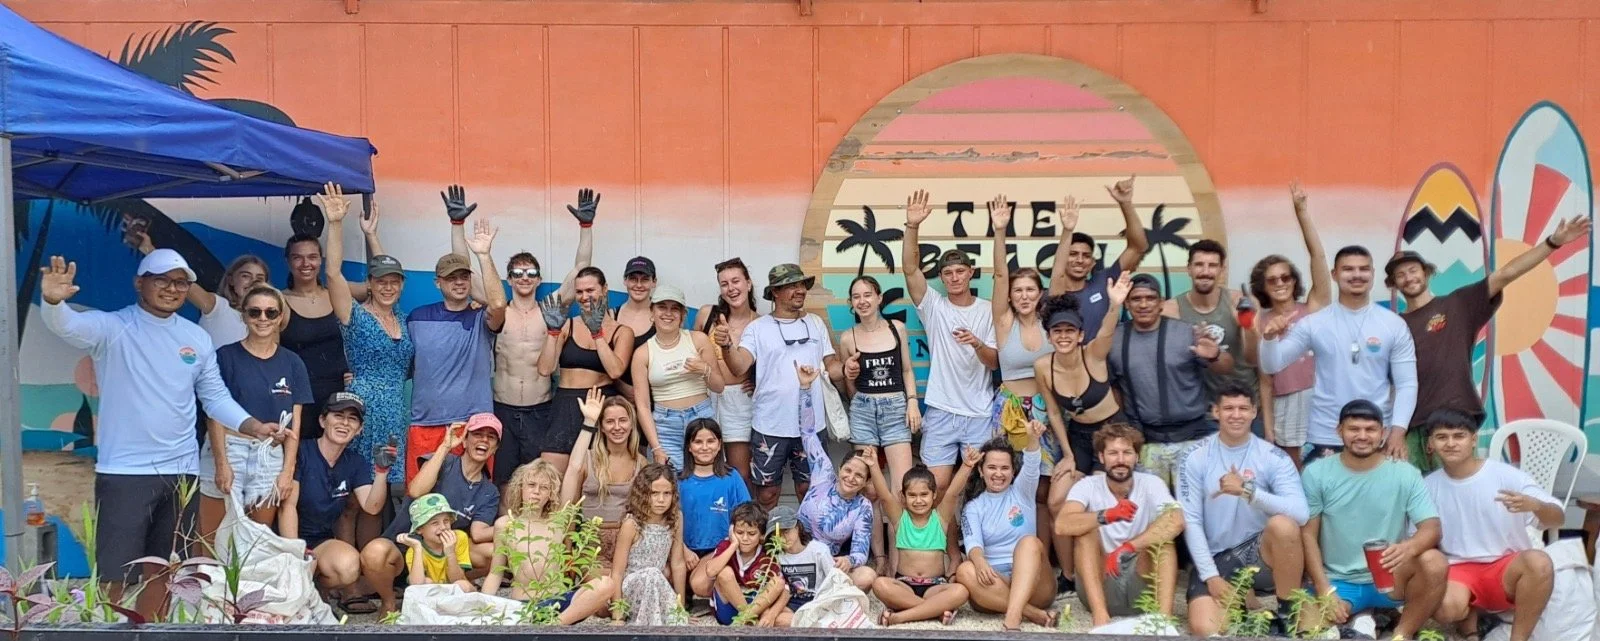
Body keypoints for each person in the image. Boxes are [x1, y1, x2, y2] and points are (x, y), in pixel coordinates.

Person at [37, 251, 284, 619]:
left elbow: (214, 397)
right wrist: (54, 302)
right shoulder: (112, 327)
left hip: (181, 473)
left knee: (168, 571)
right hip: (125, 473)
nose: (172, 289)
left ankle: (150, 628)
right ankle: (111, 628)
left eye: (181, 282)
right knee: (115, 572)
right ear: (140, 282)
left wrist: (252, 426)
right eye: (162, 280)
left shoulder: (195, 338)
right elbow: (68, 326)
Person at [1390, 214, 1591, 472]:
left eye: (1413, 270)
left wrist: (1553, 242)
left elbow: (1507, 273)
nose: (1408, 278)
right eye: (1400, 275)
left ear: (1426, 273)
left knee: (1458, 493)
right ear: (1393, 283)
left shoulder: (1458, 304)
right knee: (1412, 499)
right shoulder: (1392, 324)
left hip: (1454, 417)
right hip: (1409, 425)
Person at [1301, 399, 1447, 640]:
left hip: (1390, 576)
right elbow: (1307, 534)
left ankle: (1401, 633)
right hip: (1338, 579)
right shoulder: (1316, 472)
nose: (1362, 436)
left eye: (1370, 430)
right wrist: (1324, 589)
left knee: (1435, 561)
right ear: (1339, 432)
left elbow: (1431, 527)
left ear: (1383, 433)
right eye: (1353, 429)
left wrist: (1408, 548)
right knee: (1309, 630)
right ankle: (1366, 618)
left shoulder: (1404, 473)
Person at [1259, 246, 1418, 464]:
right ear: (1335, 274)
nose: (1356, 275)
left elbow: (1407, 383)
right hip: (1325, 434)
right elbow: (1271, 365)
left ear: (1372, 274)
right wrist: (1269, 339)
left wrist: (1398, 431)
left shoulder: (1393, 324)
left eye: (1363, 269)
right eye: (1348, 269)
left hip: (1376, 434)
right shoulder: (1314, 323)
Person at [318, 184, 414, 545]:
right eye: (380, 282)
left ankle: (367, 576)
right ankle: (348, 569)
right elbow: (332, 275)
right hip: (360, 412)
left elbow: (385, 268)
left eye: (394, 282)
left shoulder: (401, 320)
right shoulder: (354, 315)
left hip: (394, 413)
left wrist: (372, 235)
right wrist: (337, 224)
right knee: (353, 497)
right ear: (369, 285)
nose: (387, 287)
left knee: (382, 494)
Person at [1176, 383, 1309, 636]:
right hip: (1219, 556)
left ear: (1254, 412)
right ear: (1215, 412)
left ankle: (1285, 616)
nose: (1236, 415)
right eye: (1228, 408)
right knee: (1205, 628)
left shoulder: (1273, 456)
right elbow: (1191, 520)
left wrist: (1249, 492)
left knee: (1284, 524)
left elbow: (1300, 513)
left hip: (1260, 553)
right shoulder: (1194, 455)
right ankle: (1246, 609)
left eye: (1242, 408)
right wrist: (1210, 576)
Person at [1424, 409, 1559, 641]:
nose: (1451, 443)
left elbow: (1558, 518)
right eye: (1442, 437)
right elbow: (1419, 537)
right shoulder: (1427, 486)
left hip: (1505, 567)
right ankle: (1471, 626)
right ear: (1430, 444)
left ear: (1473, 440)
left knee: (1539, 562)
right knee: (1445, 608)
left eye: (1459, 436)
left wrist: (1536, 505)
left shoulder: (1506, 476)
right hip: (1458, 569)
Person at [492, 188, 596, 484]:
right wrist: (458, 229)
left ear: (538, 278)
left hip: (541, 408)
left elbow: (580, 270)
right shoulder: (498, 311)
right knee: (503, 483)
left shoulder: (550, 307)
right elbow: (469, 275)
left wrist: (585, 228)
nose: (524, 277)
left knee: (540, 483)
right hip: (503, 407)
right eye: (517, 272)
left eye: (531, 272)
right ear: (509, 278)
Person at [716, 264, 842, 509]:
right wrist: (726, 346)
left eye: (801, 285)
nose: (800, 290)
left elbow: (831, 364)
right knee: (767, 494)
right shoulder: (758, 328)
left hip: (811, 425)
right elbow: (740, 366)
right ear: (775, 292)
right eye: (791, 286)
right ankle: (767, 545)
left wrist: (846, 370)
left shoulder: (816, 323)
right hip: (769, 425)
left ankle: (806, 542)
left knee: (810, 490)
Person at [405, 186, 507, 483]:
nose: (459, 283)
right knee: (423, 500)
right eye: (451, 278)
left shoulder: (480, 318)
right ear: (438, 283)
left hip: (472, 426)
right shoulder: (417, 318)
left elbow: (499, 303)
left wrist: (484, 256)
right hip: (425, 425)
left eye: (464, 277)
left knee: (469, 502)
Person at [901, 190, 999, 494]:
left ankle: (973, 543)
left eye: (960, 271)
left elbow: (995, 362)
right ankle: (948, 544)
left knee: (979, 487)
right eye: (948, 273)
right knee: (937, 487)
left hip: (979, 412)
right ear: (941, 278)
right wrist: (912, 226)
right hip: (941, 409)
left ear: (970, 273)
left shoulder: (988, 310)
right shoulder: (935, 306)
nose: (954, 277)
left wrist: (976, 343)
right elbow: (909, 269)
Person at [197, 285, 311, 542]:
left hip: (270, 455)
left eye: (271, 313)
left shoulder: (293, 363)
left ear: (281, 317)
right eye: (255, 312)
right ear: (244, 315)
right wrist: (221, 464)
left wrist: (286, 471)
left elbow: (296, 423)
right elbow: (214, 414)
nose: (263, 318)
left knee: (256, 543)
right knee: (213, 542)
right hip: (229, 447)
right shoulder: (224, 356)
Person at [361, 415, 502, 615]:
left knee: (495, 553)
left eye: (491, 437)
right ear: (465, 439)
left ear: (495, 447)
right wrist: (445, 446)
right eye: (477, 434)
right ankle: (389, 602)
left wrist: (510, 526)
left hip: (445, 553)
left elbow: (479, 533)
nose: (484, 440)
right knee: (374, 553)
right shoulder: (445, 462)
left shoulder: (489, 490)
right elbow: (417, 490)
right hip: (405, 546)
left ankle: (446, 589)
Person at [1057, 423, 1184, 627]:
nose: (1120, 460)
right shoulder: (1087, 485)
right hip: (1101, 584)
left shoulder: (1151, 483)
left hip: (1141, 584)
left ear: (1137, 457)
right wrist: (1106, 515)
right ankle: (1100, 618)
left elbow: (1176, 520)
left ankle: (1164, 622)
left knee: (1165, 544)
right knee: (1084, 534)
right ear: (1101, 457)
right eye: (1113, 453)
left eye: (1127, 453)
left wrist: (1129, 547)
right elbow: (1062, 525)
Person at [1106, 273, 1226, 486]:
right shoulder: (1114, 339)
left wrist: (1214, 355)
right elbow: (1114, 388)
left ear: (1161, 303)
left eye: (1150, 298)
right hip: (1147, 441)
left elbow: (1226, 366)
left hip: (1194, 436)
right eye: (1136, 298)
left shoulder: (1186, 332)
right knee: (1157, 511)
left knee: (1200, 508)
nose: (1143, 304)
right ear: (1127, 303)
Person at [1248, 181, 1331, 467]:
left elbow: (1318, 258)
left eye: (1286, 277)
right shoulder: (1261, 322)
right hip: (1286, 404)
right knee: (1294, 476)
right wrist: (1268, 428)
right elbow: (1265, 382)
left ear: (1294, 280)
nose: (1281, 283)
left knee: (1327, 471)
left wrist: (1302, 213)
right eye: (1272, 280)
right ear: (1263, 286)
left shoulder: (1313, 308)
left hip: (1322, 398)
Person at [281, 392, 391, 600]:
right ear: (323, 420)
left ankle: (316, 591)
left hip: (320, 542)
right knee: (302, 565)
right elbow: (288, 507)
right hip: (287, 540)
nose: (345, 423)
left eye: (352, 418)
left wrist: (381, 472)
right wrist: (294, 551)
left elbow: (372, 507)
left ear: (359, 429)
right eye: (338, 416)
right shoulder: (302, 451)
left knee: (349, 567)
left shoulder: (355, 462)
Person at [281, 204, 378, 436]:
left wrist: (371, 236)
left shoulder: (336, 293)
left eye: (313, 257)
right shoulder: (278, 301)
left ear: (322, 259)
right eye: (298, 258)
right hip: (298, 397)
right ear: (288, 261)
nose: (306, 264)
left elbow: (380, 283)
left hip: (338, 397)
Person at [481, 460, 616, 624]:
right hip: (524, 606)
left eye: (544, 487)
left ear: (551, 493)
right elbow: (496, 573)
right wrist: (483, 608)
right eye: (531, 485)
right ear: (520, 487)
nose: (536, 492)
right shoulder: (505, 524)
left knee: (606, 583)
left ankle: (554, 625)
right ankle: (549, 626)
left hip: (559, 603)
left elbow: (574, 470)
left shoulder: (559, 522)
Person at [953, 431, 1058, 631]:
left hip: (1035, 583)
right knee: (965, 570)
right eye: (992, 467)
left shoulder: (1022, 491)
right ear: (981, 471)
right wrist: (980, 561)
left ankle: (1012, 617)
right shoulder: (973, 507)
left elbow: (1033, 464)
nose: (998, 474)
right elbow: (973, 544)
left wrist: (1033, 438)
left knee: (1029, 542)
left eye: (1004, 468)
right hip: (994, 584)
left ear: (1013, 471)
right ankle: (1030, 613)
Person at [537, 266, 636, 474]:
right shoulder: (568, 325)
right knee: (551, 477)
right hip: (565, 406)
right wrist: (553, 332)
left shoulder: (622, 331)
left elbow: (615, 370)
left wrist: (597, 333)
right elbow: (545, 369)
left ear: (605, 289)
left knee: (594, 478)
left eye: (590, 290)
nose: (584, 297)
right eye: (579, 292)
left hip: (599, 405)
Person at [793, 363, 879, 590]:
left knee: (867, 575)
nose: (851, 477)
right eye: (848, 470)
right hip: (794, 552)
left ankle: (821, 591)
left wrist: (849, 560)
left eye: (859, 475)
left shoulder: (863, 507)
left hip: (825, 564)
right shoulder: (823, 474)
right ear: (840, 469)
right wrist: (805, 388)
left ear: (865, 482)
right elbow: (808, 433)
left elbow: (860, 550)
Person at [1037, 274, 1132, 475]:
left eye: (1070, 330)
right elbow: (1054, 413)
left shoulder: (1093, 354)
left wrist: (1115, 305)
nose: (1064, 336)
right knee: (1056, 498)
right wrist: (1068, 455)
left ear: (1080, 335)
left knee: (1099, 488)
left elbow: (1106, 331)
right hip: (1078, 434)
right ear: (1049, 336)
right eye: (1057, 331)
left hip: (1112, 430)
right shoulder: (1042, 366)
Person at [837, 275, 919, 496]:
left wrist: (912, 402)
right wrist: (854, 387)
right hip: (863, 411)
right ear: (851, 303)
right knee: (867, 488)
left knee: (902, 487)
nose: (862, 301)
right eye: (856, 297)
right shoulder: (847, 338)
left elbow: (906, 370)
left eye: (867, 295)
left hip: (895, 409)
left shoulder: (897, 328)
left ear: (879, 298)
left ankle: (897, 532)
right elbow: (849, 384)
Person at [1163, 240, 1259, 418]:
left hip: (1245, 405)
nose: (1205, 272)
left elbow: (1254, 359)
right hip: (1201, 411)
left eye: (1213, 265)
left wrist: (1249, 325)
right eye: (1199, 265)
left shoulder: (1238, 302)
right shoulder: (1171, 310)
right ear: (1189, 269)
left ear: (1222, 270)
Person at [632, 284, 724, 469]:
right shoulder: (642, 353)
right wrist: (656, 447)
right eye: (662, 307)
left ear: (683, 315)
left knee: (708, 477)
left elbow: (719, 386)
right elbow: (642, 405)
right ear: (652, 312)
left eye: (675, 308)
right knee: (669, 486)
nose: (668, 313)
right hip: (665, 425)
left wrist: (704, 369)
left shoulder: (698, 339)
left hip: (701, 418)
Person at [1046, 175, 1150, 339]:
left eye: (1086, 255)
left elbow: (1138, 247)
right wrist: (1068, 230)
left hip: (1105, 363)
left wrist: (1125, 203)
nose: (1080, 260)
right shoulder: (1054, 295)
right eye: (1072, 254)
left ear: (1093, 262)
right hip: (1070, 363)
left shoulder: (1105, 281)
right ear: (1062, 258)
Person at [867, 465, 971, 626]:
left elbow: (952, 493)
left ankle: (902, 616)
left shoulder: (941, 518)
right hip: (904, 585)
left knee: (961, 591)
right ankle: (933, 611)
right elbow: (885, 496)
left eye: (924, 494)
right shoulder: (900, 519)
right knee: (879, 584)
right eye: (912, 495)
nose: (918, 500)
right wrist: (873, 465)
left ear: (934, 494)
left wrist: (967, 466)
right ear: (903, 497)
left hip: (935, 586)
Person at [559, 391, 648, 574]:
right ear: (602, 426)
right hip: (592, 544)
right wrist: (567, 552)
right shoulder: (587, 459)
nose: (617, 427)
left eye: (623, 420)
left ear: (632, 424)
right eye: (609, 421)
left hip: (627, 544)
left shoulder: (641, 463)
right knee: (604, 586)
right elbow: (570, 506)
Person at [131, 228, 268, 348]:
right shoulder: (218, 308)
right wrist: (148, 249)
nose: (253, 282)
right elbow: (183, 282)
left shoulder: (269, 318)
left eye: (260, 278)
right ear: (231, 280)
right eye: (246, 276)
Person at [699, 257, 762, 490]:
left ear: (748, 283)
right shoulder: (707, 315)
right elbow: (691, 347)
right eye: (724, 284)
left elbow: (770, 363)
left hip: (740, 401)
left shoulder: (761, 323)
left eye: (736, 281)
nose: (731, 288)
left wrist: (757, 381)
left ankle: (744, 523)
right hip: (707, 397)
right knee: (707, 468)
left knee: (741, 473)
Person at [612, 463, 687, 624]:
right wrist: (617, 615)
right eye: (654, 493)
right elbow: (617, 572)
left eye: (667, 493)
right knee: (652, 573)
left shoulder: (676, 519)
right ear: (643, 493)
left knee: (657, 575)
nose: (661, 500)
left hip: (657, 585)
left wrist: (680, 607)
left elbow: (678, 564)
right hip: (632, 588)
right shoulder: (631, 524)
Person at [690, 502, 787, 626]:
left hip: (756, 605)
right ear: (732, 530)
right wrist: (733, 545)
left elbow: (783, 588)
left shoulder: (768, 553)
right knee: (725, 573)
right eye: (739, 533)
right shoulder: (726, 545)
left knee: (778, 582)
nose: (745, 538)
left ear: (762, 535)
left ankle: (745, 619)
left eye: (751, 534)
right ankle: (748, 618)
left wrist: (769, 613)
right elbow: (710, 571)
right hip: (728, 607)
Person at [678, 420, 753, 569]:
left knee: (701, 583)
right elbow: (668, 522)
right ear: (689, 447)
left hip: (722, 549)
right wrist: (683, 550)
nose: (705, 447)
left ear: (719, 445)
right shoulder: (679, 481)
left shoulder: (732, 477)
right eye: (698, 442)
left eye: (711, 441)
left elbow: (746, 514)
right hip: (685, 551)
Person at [768, 505, 835, 625]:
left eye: (787, 531)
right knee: (778, 619)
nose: (783, 538)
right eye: (777, 535)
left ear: (798, 527)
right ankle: (811, 626)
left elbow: (834, 580)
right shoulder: (775, 555)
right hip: (791, 601)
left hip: (817, 600)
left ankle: (811, 625)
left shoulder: (819, 550)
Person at [396, 493, 476, 593]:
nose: (443, 527)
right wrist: (417, 548)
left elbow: (456, 579)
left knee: (462, 585)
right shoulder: (414, 550)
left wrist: (450, 553)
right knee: (426, 582)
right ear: (420, 529)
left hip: (456, 593)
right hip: (432, 596)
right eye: (435, 523)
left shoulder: (459, 538)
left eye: (446, 521)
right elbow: (416, 585)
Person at [613, 255, 660, 400]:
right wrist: (621, 386)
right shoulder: (611, 316)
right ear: (625, 281)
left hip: (656, 400)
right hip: (617, 401)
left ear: (654, 282)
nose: (639, 285)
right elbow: (599, 359)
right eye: (633, 279)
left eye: (645, 279)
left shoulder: (664, 317)